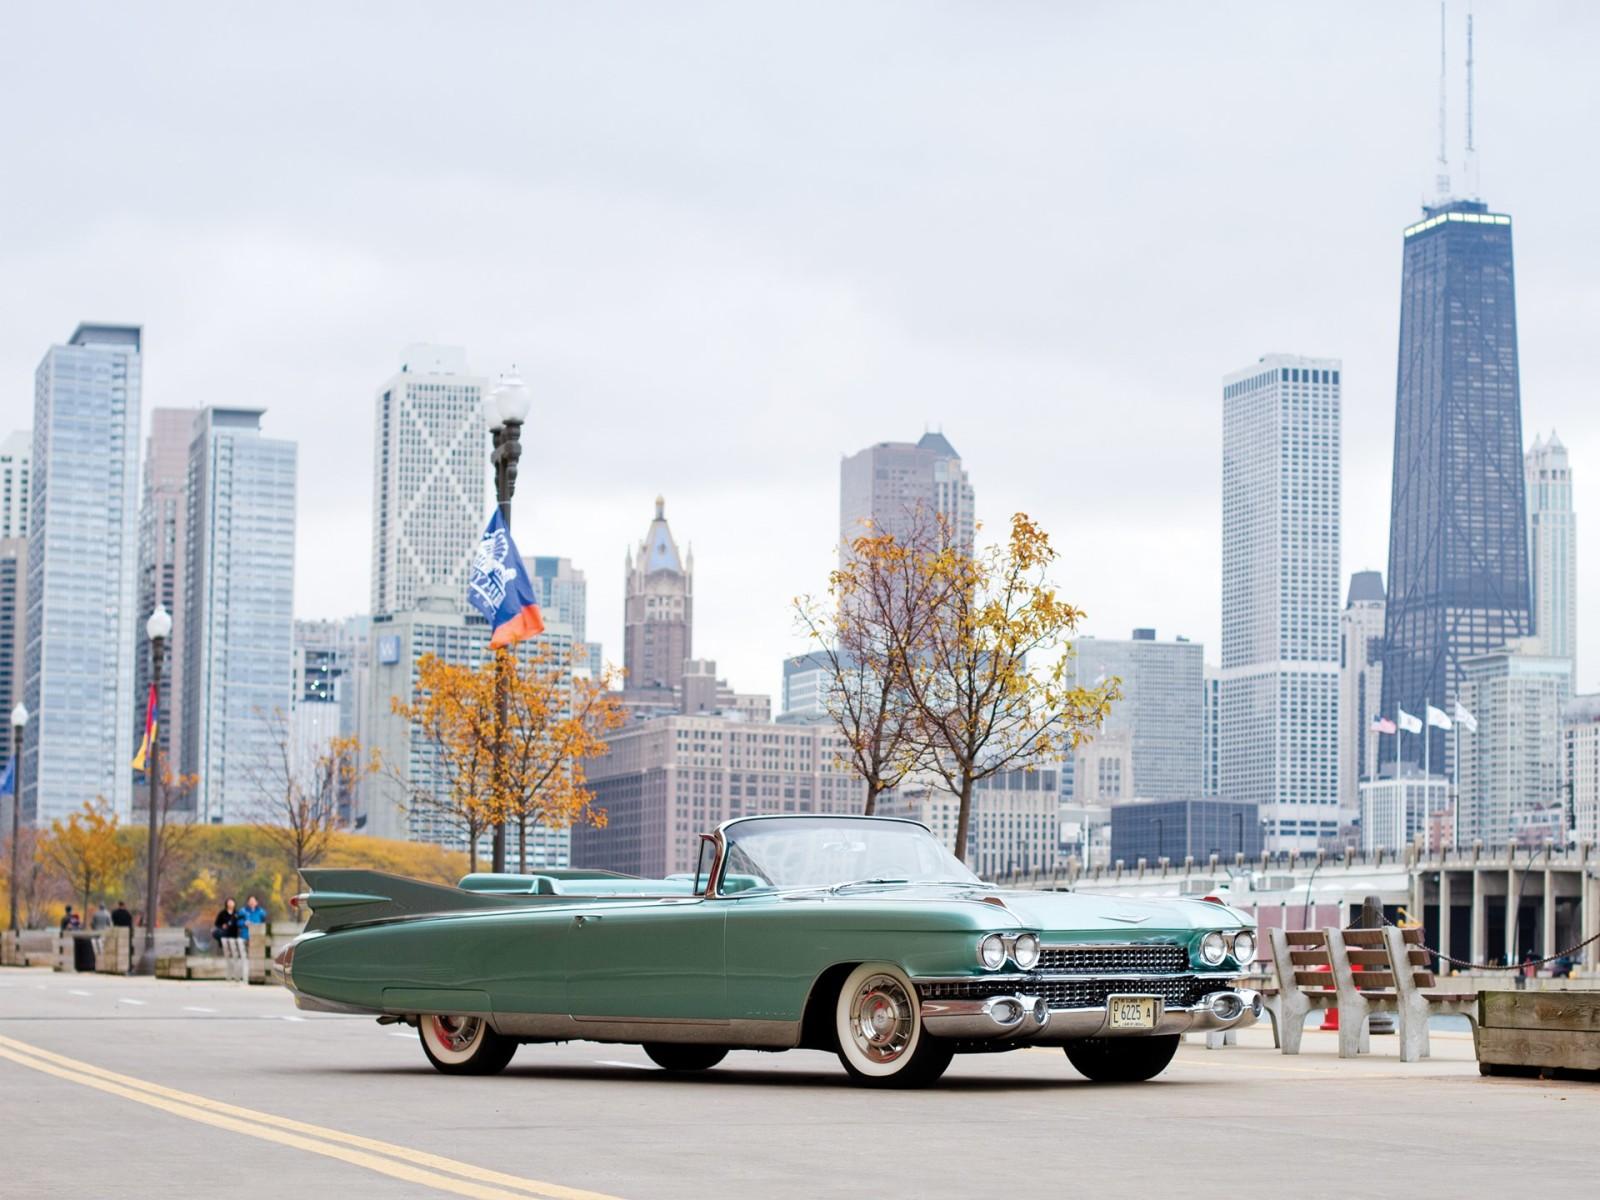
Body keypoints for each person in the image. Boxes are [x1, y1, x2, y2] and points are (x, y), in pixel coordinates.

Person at [212, 897, 245, 984]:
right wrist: (222, 925)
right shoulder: (222, 913)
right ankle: (230, 975)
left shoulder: (237, 913)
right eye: (229, 902)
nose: (230, 904)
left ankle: (237, 975)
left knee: (236, 955)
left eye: (232, 902)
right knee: (228, 955)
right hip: (225, 936)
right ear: (226, 903)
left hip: (234, 936)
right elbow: (217, 923)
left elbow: (240, 923)